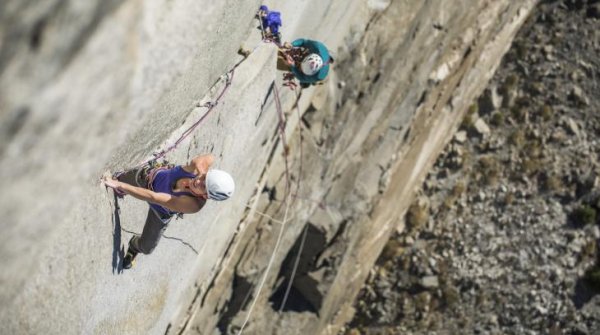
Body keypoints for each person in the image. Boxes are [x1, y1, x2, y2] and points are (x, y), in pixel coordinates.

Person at [102, 154, 235, 269]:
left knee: (147, 248)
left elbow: (154, 197)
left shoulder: (193, 205)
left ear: (206, 196)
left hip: (160, 209)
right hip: (148, 178)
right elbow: (210, 157)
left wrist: (121, 186)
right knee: (118, 179)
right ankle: (123, 181)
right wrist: (119, 184)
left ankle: (134, 246)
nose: (199, 181)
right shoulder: (197, 170)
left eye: (203, 186)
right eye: (204, 178)